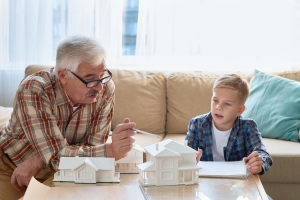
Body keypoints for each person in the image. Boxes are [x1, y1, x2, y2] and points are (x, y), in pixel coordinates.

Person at [0, 35, 136, 200]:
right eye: (90, 79)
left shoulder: (105, 88)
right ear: (63, 76)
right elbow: (59, 157)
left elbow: (91, 147)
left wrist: (41, 157)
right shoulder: (34, 89)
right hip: (13, 168)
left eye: (102, 75)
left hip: (63, 172)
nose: (99, 87)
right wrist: (111, 150)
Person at [185, 74, 273, 175]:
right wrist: (188, 159)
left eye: (227, 103)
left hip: (236, 183)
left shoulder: (248, 127)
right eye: (215, 100)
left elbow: (263, 154)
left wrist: (258, 163)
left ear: (240, 110)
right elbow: (186, 152)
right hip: (207, 179)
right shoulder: (196, 124)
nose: (218, 107)